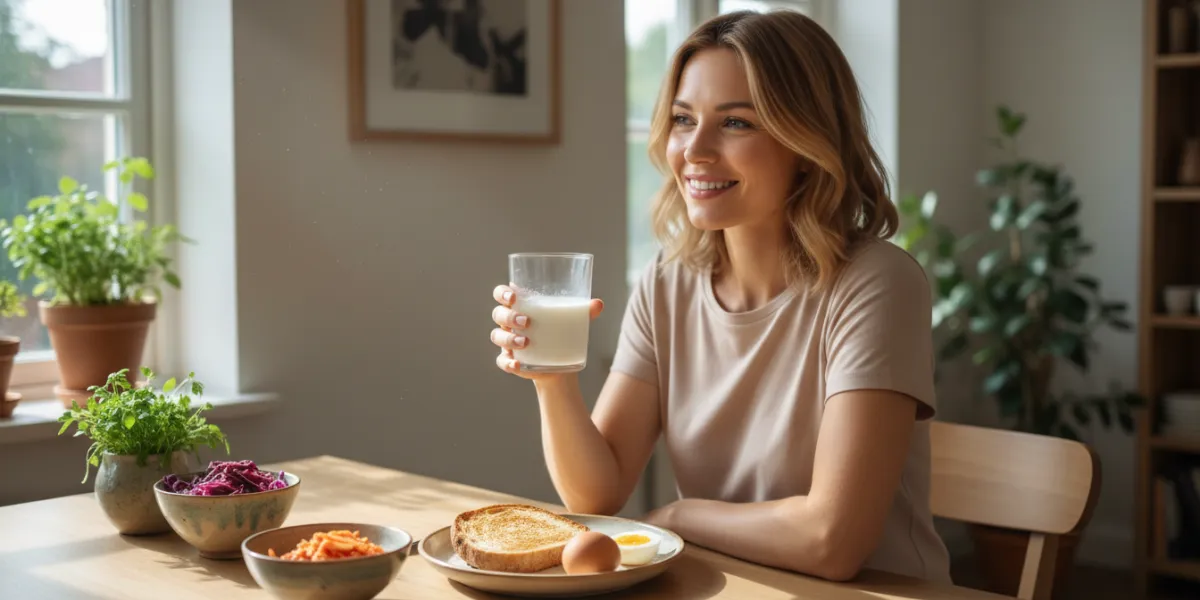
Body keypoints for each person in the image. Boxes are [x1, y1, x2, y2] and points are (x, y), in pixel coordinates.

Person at [488, 9, 951, 584]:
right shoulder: (667, 281)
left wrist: (678, 517)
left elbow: (832, 541)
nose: (695, 150)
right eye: (684, 119)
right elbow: (598, 492)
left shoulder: (876, 284)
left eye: (736, 124)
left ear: (806, 140)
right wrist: (553, 381)